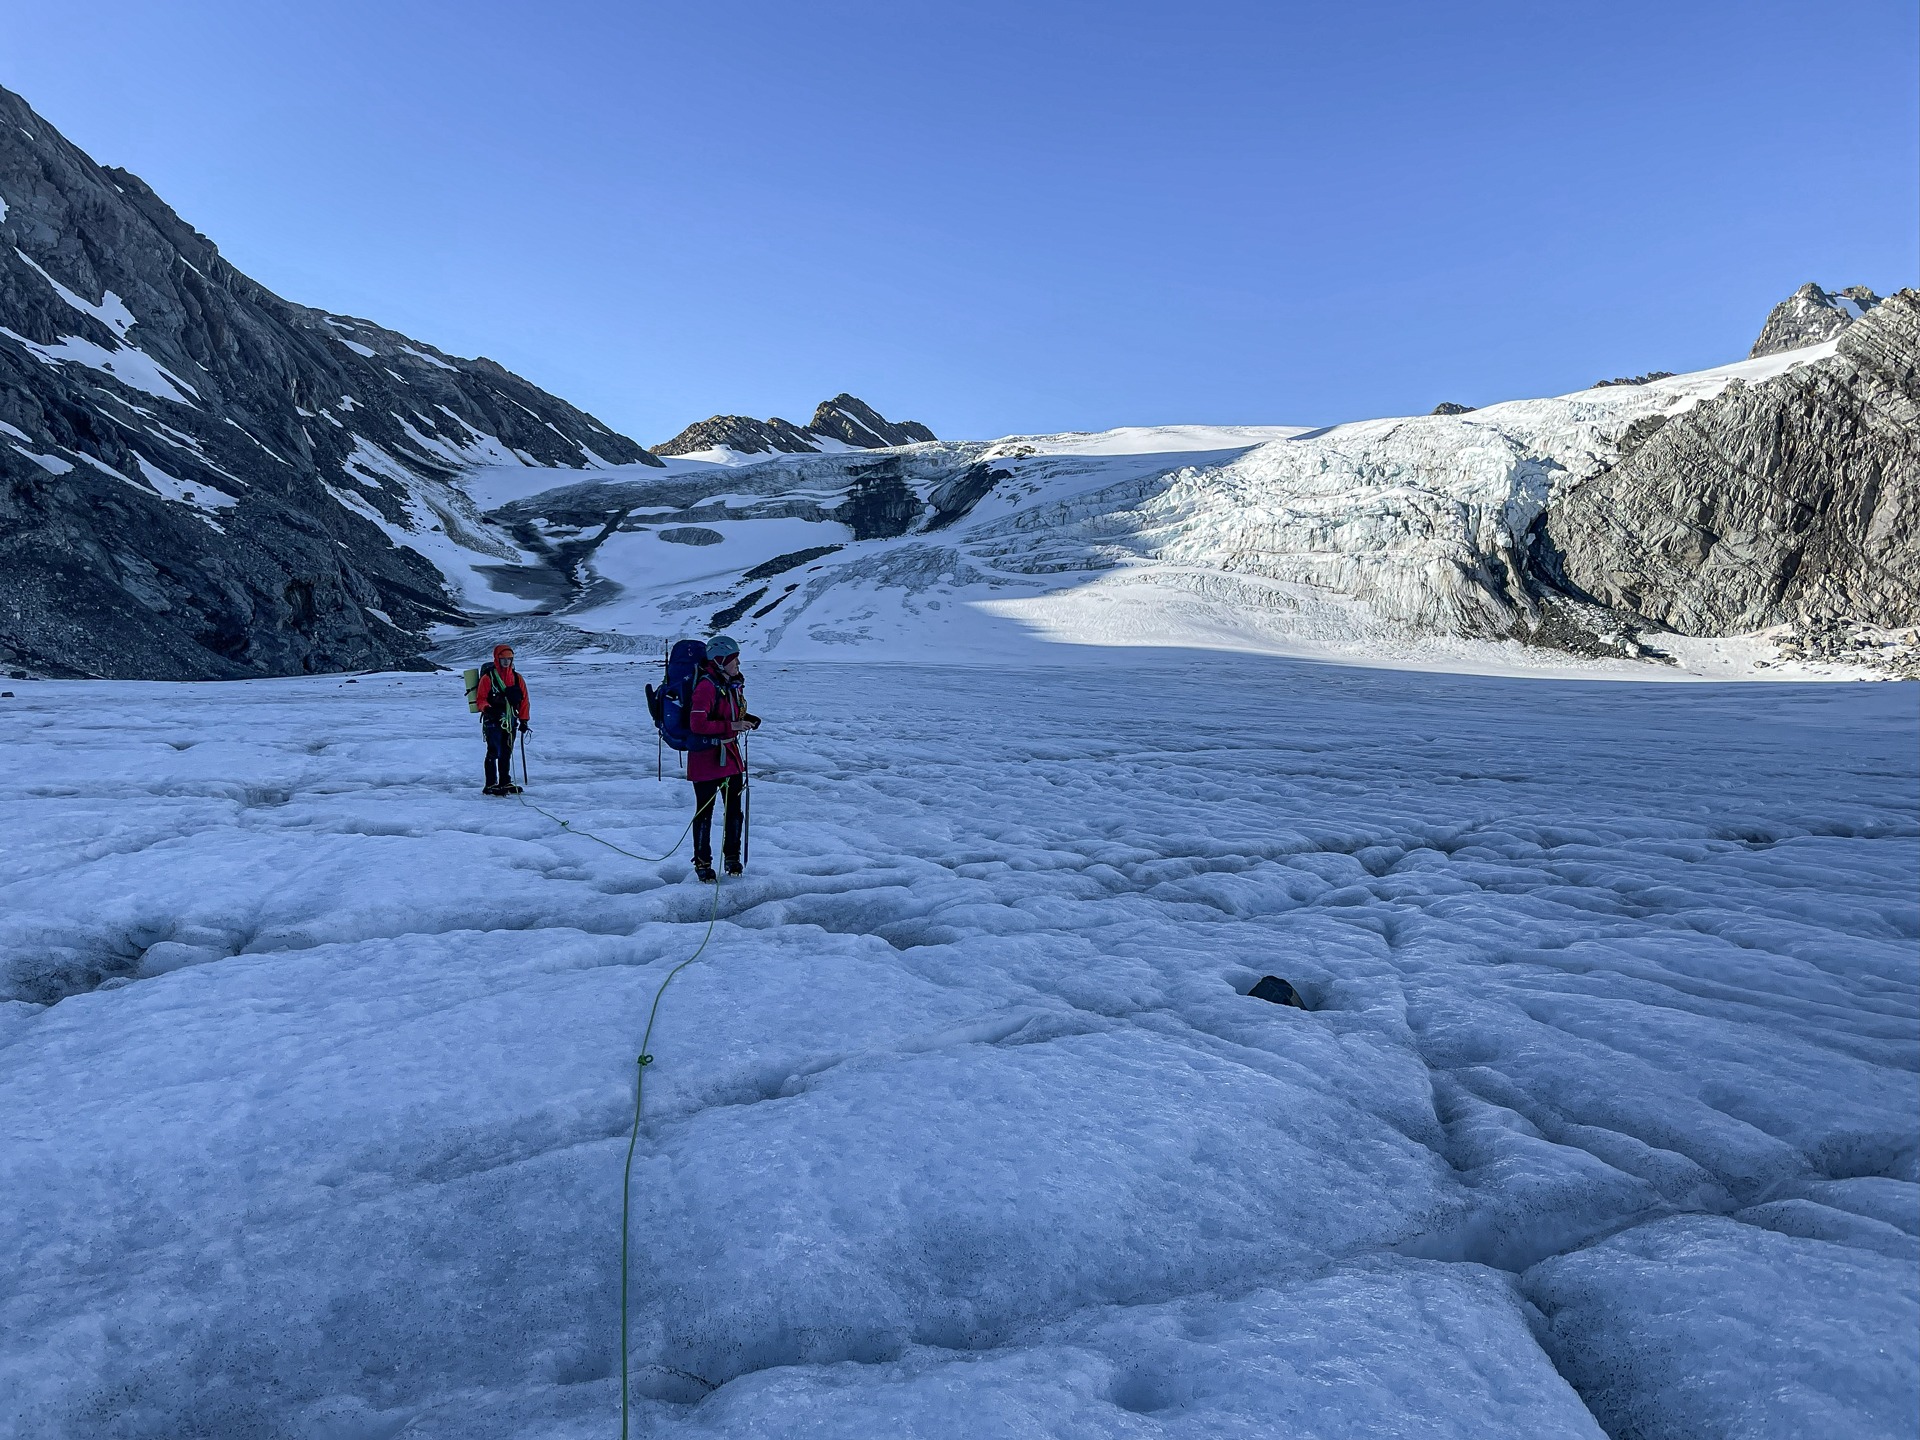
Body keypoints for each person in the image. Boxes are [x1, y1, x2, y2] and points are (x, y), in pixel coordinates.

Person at [686, 633, 759, 881]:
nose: (738, 664)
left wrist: (744, 720)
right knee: (705, 813)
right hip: (707, 760)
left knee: (734, 811)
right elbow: (697, 724)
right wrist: (733, 726)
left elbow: (728, 716)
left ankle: (732, 859)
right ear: (720, 660)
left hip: (730, 758)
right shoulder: (706, 686)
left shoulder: (729, 685)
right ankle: (703, 864)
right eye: (734, 660)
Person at [475, 643, 530, 795]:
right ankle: (491, 784)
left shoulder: (518, 679)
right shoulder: (488, 678)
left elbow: (524, 701)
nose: (507, 662)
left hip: (510, 720)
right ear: (497, 659)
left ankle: (505, 781)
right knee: (494, 751)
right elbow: (480, 699)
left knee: (506, 751)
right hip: (493, 720)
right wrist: (487, 709)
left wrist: (524, 720)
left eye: (509, 659)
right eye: (503, 659)